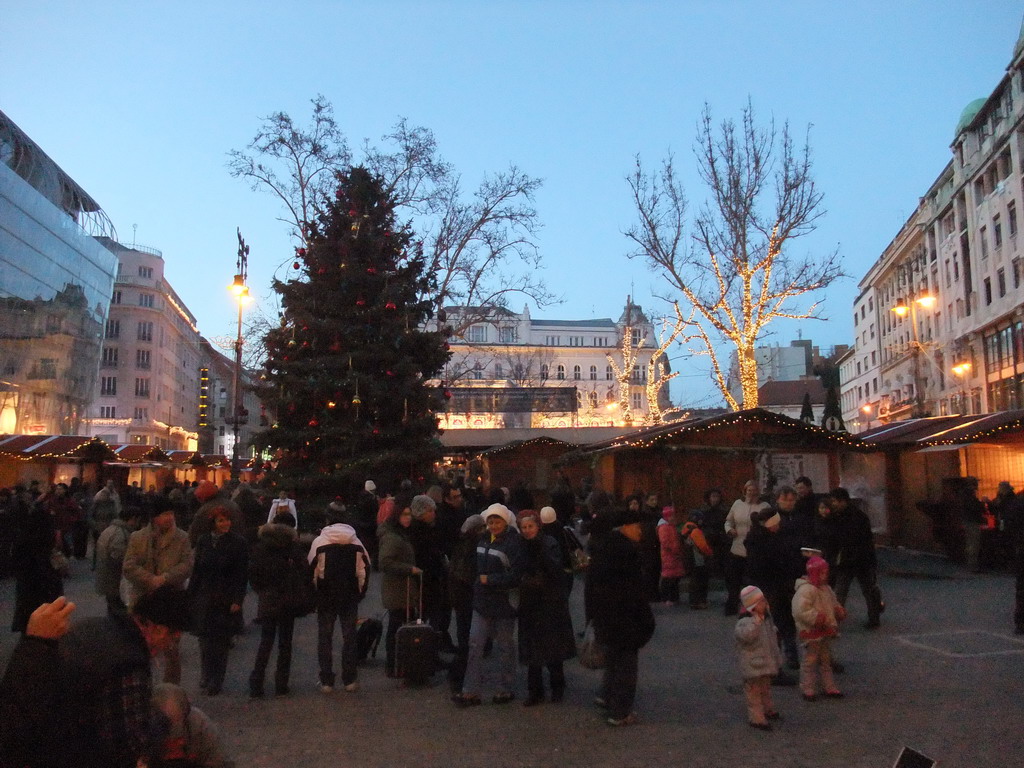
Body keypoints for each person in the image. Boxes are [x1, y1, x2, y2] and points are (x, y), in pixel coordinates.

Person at [0, 588, 191, 768]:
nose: (169, 647)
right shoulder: (129, 662)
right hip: (75, 751)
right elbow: (130, 743)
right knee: (184, 716)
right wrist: (163, 720)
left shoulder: (94, 625)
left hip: (56, 739)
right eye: (172, 639)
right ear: (159, 629)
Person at [585, 505, 656, 726]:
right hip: (624, 619)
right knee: (625, 665)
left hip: (608, 617)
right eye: (637, 526)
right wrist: (644, 618)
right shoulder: (626, 551)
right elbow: (633, 590)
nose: (640, 531)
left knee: (614, 661)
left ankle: (608, 697)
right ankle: (621, 711)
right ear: (625, 527)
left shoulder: (605, 548)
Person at [453, 503, 526, 708]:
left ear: (506, 521)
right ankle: (470, 691)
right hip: (483, 601)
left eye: (497, 521)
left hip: (504, 602)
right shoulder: (483, 539)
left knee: (505, 647)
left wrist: (489, 580)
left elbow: (516, 575)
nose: (494, 526)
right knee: (475, 644)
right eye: (491, 522)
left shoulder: (513, 543)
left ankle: (505, 687)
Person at [122, 497, 193, 684]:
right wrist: (149, 580)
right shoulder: (138, 538)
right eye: (165, 514)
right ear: (154, 517)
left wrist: (165, 578)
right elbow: (129, 566)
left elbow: (187, 565)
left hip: (171, 599)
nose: (169, 518)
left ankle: (171, 690)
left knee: (171, 650)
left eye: (171, 513)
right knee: (141, 647)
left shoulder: (182, 538)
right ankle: (143, 686)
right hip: (144, 599)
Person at [307, 507, 371, 693]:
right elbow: (364, 570)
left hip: (326, 595)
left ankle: (327, 680)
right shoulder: (356, 542)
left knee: (325, 637)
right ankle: (349, 678)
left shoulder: (320, 542)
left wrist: (314, 593)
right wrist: (360, 593)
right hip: (349, 595)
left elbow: (312, 570)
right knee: (349, 636)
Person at [516, 510, 576, 706]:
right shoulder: (521, 545)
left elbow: (556, 569)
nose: (527, 531)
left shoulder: (548, 543)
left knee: (552, 647)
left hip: (549, 601)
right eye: (524, 527)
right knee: (533, 648)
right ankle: (535, 690)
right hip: (530, 602)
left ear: (538, 526)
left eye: (530, 526)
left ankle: (557, 687)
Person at [248, 511, 309, 698]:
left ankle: (256, 683)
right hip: (288, 599)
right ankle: (281, 684)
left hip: (268, 598)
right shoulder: (293, 547)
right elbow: (303, 571)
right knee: (285, 643)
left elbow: (253, 573)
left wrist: (261, 590)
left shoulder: (261, 545)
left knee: (266, 642)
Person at [187, 506, 248, 695]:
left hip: (225, 597)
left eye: (227, 520)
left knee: (221, 641)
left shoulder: (237, 543)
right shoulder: (204, 541)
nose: (226, 524)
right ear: (212, 523)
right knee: (204, 638)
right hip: (204, 596)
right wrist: (190, 595)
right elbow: (197, 570)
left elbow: (241, 574)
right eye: (221, 520)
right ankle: (206, 673)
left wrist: (237, 599)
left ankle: (217, 680)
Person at [377, 493, 422, 678]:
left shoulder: (401, 534)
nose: (408, 518)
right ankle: (393, 664)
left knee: (401, 625)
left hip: (403, 588)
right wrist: (409, 569)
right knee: (396, 626)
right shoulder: (392, 537)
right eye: (404, 514)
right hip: (398, 589)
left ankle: (401, 663)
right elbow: (385, 562)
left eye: (409, 514)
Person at [9, 485, 63, 633]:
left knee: (28, 605)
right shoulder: (45, 537)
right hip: (44, 578)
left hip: (28, 579)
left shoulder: (24, 537)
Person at [792, 556, 846, 701]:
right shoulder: (806, 590)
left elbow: (833, 602)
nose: (826, 576)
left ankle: (829, 686)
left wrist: (838, 610)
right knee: (810, 660)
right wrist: (815, 618)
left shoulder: (826, 589)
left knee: (825, 660)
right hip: (812, 631)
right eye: (822, 573)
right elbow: (800, 610)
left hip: (825, 629)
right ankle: (807, 687)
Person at [829, 488, 884, 629]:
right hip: (859, 560)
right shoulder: (857, 516)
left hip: (854, 560)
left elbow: (849, 540)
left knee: (842, 592)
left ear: (843, 501)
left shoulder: (845, 517)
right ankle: (873, 618)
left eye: (835, 501)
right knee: (866, 590)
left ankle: (835, 622)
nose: (833, 503)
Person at [735, 585, 784, 731]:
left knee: (765, 688)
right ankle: (756, 717)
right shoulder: (745, 623)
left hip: (764, 661)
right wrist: (756, 622)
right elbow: (746, 636)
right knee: (754, 693)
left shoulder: (766, 620)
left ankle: (768, 709)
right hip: (753, 664)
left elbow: (770, 639)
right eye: (761, 601)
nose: (765, 604)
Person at [150, 683, 232, 767]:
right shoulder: (143, 729)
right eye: (168, 722)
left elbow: (220, 762)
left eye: (178, 720)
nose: (175, 726)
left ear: (186, 712)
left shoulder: (201, 725)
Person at [447, 514, 485, 694]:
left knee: (465, 637)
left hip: (460, 596)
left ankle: (459, 673)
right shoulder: (472, 546)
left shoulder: (460, 543)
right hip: (467, 597)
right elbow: (468, 575)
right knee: (468, 639)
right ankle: (460, 675)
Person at [724, 480, 769, 615]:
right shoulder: (737, 505)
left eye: (754, 490)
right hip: (737, 548)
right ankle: (732, 605)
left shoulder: (764, 506)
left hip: (755, 550)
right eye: (749, 490)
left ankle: (754, 607)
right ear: (745, 491)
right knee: (733, 581)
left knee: (753, 582)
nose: (752, 493)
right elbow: (728, 521)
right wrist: (729, 530)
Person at [95, 505, 143, 616]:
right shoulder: (120, 533)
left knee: (112, 605)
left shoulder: (111, 529)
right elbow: (118, 556)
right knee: (118, 609)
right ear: (132, 519)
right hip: (114, 579)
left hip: (106, 576)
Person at [680, 510, 714, 609]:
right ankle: (698, 602)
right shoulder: (695, 531)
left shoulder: (685, 529)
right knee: (700, 580)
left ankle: (694, 601)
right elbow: (702, 546)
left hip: (689, 559)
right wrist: (710, 553)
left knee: (693, 580)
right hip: (698, 559)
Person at [89, 480, 121, 569]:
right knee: (97, 545)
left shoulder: (112, 502)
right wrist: (94, 525)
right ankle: (95, 564)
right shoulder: (96, 503)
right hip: (98, 526)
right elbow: (91, 515)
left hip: (108, 526)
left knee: (108, 546)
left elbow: (115, 514)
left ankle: (105, 563)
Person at [656, 505, 684, 605]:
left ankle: (674, 597)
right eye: (671, 516)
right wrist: (674, 549)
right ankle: (667, 598)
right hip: (669, 555)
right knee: (669, 578)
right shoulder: (664, 528)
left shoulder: (671, 527)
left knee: (675, 578)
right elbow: (665, 542)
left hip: (674, 555)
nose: (674, 518)